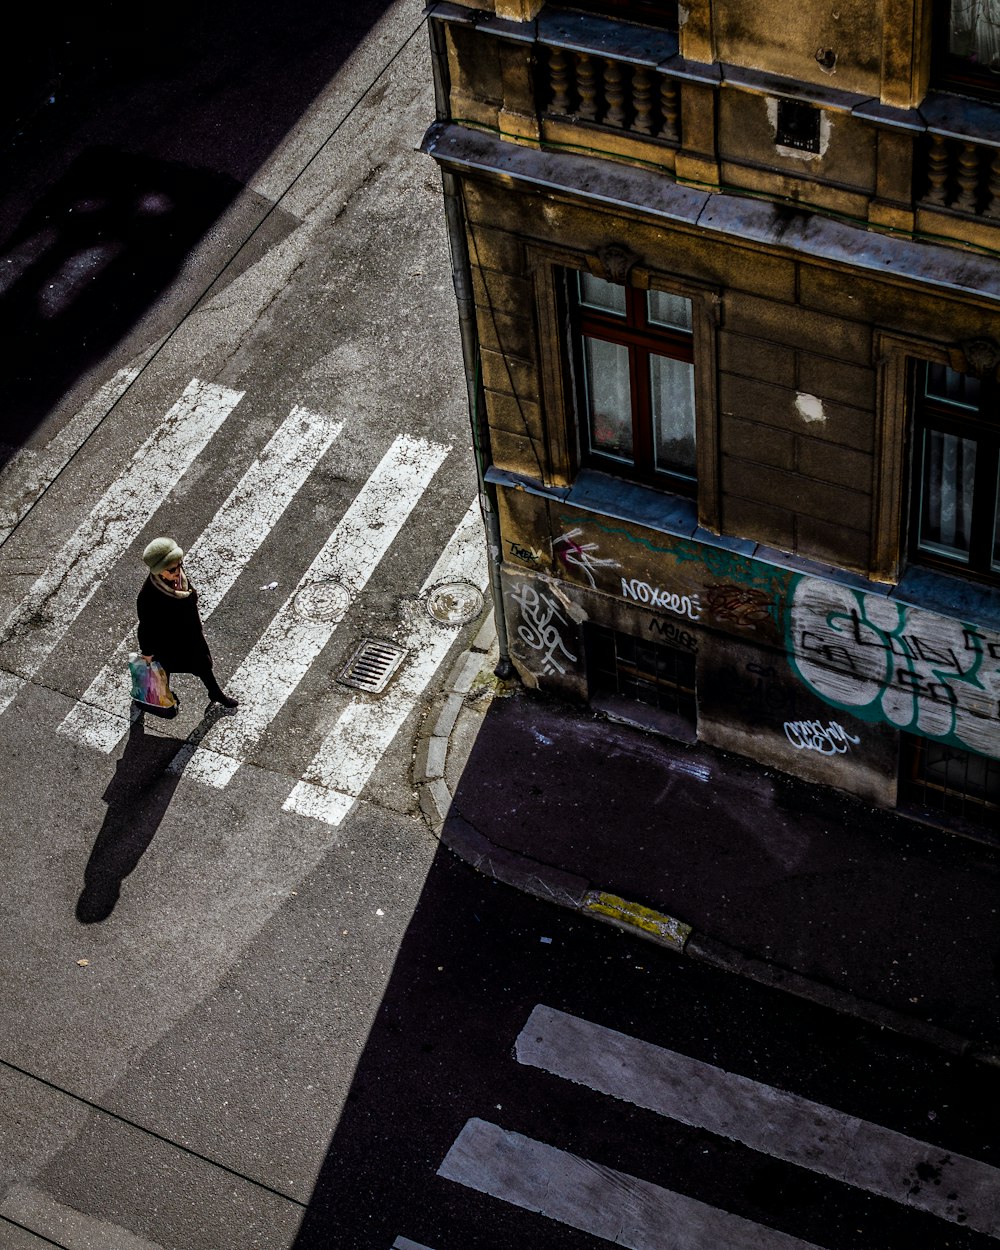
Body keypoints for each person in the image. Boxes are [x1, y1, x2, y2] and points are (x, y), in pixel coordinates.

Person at [137, 536, 239, 710]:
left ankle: (215, 693)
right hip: (169, 643)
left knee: (203, 665)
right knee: (163, 671)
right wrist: (147, 653)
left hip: (191, 638)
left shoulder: (178, 579)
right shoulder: (148, 597)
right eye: (172, 568)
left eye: (179, 564)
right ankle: (156, 698)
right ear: (159, 571)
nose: (178, 570)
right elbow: (145, 627)